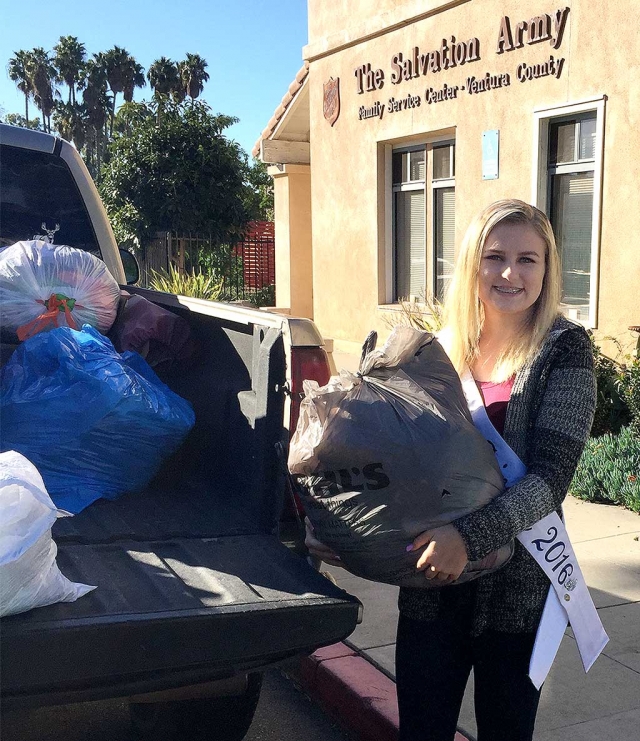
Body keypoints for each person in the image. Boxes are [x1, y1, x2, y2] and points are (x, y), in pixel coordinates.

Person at [306, 199, 597, 741]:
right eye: (495, 256)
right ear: (472, 265)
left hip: (517, 592)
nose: (510, 273)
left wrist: (468, 536)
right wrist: (340, 526)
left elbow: (550, 479)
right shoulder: (435, 351)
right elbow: (386, 460)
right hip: (430, 584)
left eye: (528, 259)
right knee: (421, 729)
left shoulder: (565, 351)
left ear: (547, 269)